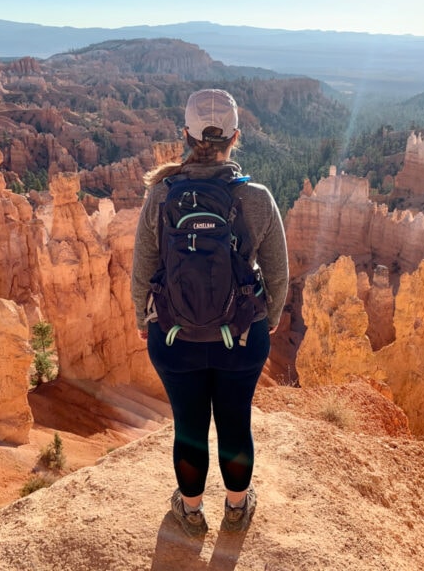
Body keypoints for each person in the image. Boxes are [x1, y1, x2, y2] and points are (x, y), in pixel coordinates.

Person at [131, 88, 289, 536]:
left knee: (189, 427)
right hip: (241, 335)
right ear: (235, 137)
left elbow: (142, 267)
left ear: (186, 134)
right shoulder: (256, 196)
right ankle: (237, 509)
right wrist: (270, 317)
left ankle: (191, 511)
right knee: (235, 421)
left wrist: (144, 321)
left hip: (175, 336)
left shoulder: (162, 194)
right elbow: (277, 272)